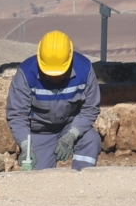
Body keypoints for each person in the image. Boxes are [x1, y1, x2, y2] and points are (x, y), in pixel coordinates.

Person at [6, 30, 101, 171]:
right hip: (40, 132)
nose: (54, 78)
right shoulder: (26, 74)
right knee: (38, 178)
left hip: (70, 125)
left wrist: (72, 135)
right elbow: (17, 115)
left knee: (91, 139)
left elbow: (90, 108)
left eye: (60, 73)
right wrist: (26, 146)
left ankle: (83, 180)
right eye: (49, 73)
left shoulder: (84, 69)